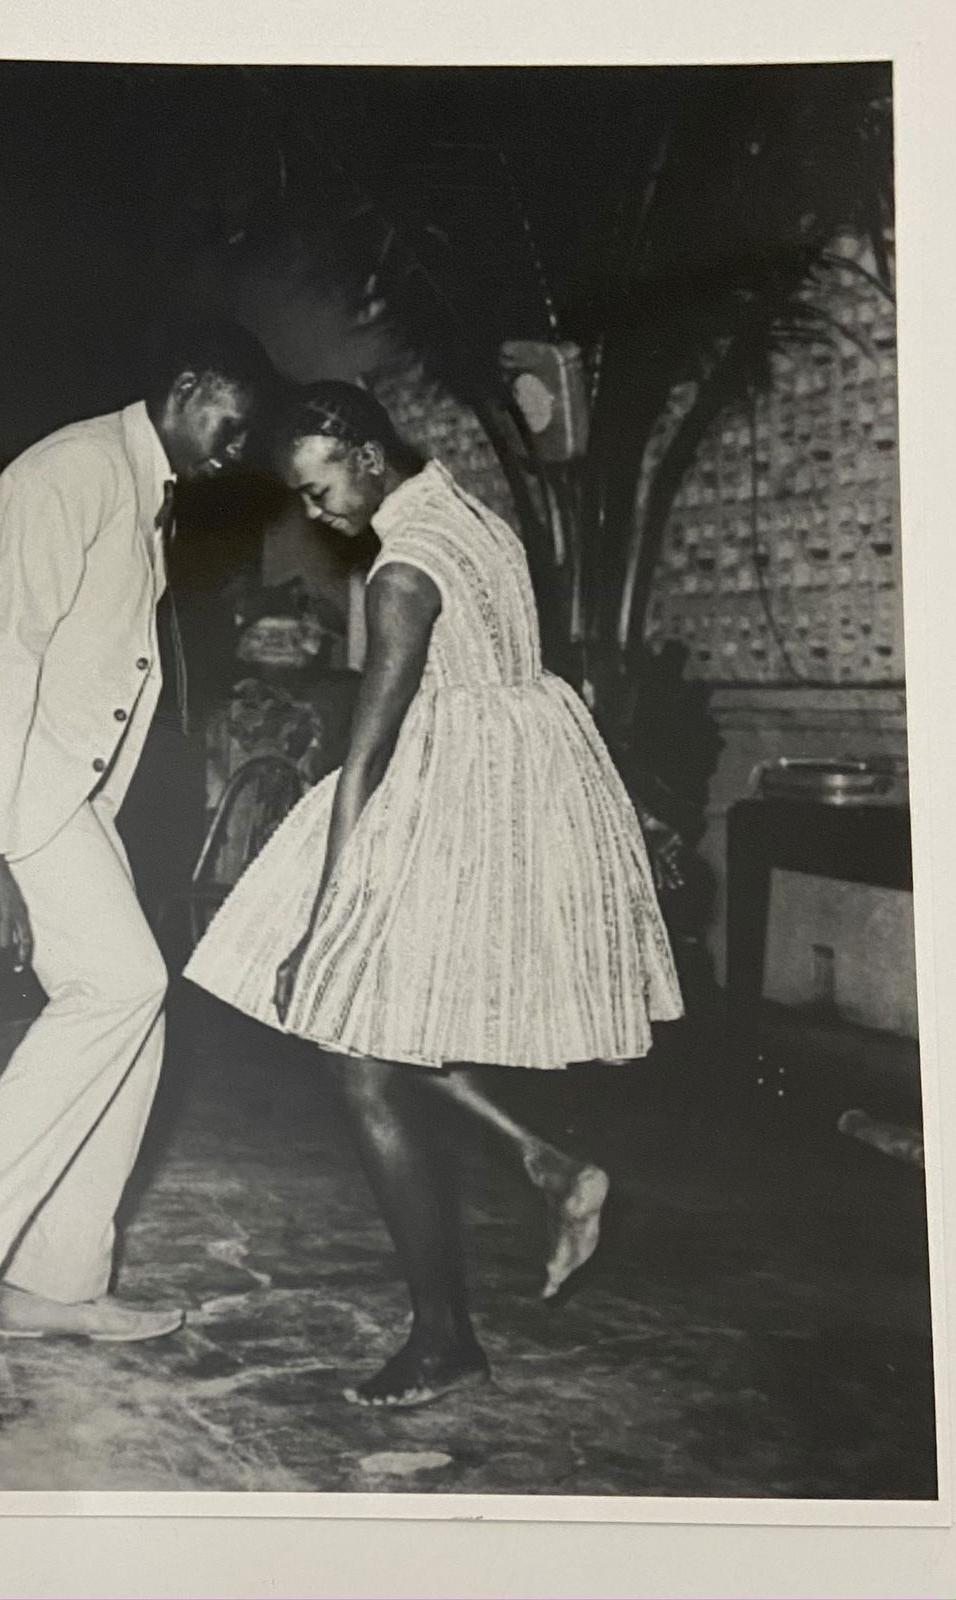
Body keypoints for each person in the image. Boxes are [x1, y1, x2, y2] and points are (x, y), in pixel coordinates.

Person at [184, 381, 682, 1408]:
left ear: (368, 456)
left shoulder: (402, 570)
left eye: (321, 488)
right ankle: (545, 1164)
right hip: (520, 788)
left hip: (449, 804)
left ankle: (444, 1337)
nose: (317, 512)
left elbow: (365, 761)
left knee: (357, 1057)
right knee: (387, 1027)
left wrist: (322, 919)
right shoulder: (474, 514)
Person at [0, 320, 280, 1389]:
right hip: (8, 778)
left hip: (52, 784)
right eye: (231, 425)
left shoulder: (131, 484)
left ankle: (53, 1282)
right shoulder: (78, 470)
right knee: (123, 986)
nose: (236, 451)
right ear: (187, 387)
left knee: (134, 1013)